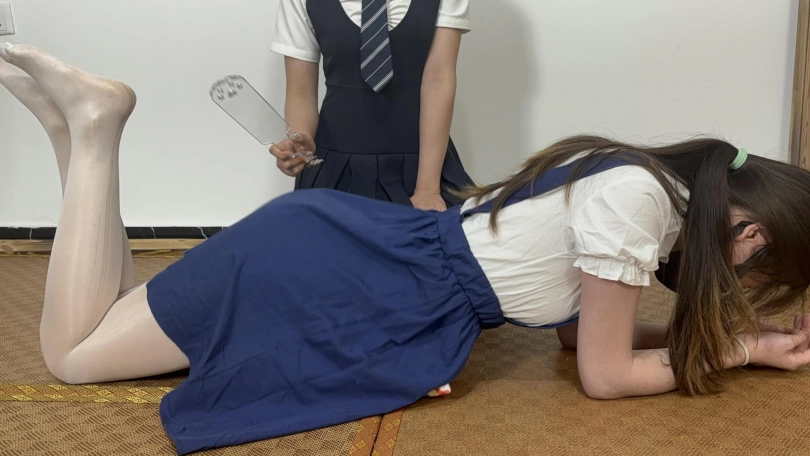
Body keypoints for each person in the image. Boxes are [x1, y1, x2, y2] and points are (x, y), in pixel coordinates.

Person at [2, 43, 810, 456]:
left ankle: (70, 131)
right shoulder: (640, 204)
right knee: (75, 358)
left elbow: (582, 339)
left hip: (349, 257)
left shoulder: (639, 179)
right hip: (346, 280)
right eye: (759, 276)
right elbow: (606, 376)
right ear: (752, 235)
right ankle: (96, 128)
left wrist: (726, 338)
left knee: (107, 319)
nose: (741, 285)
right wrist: (739, 351)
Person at [267, 0, 474, 211]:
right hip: (333, 168)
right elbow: (301, 92)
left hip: (425, 167)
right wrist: (299, 144)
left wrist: (428, 189)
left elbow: (438, 80)